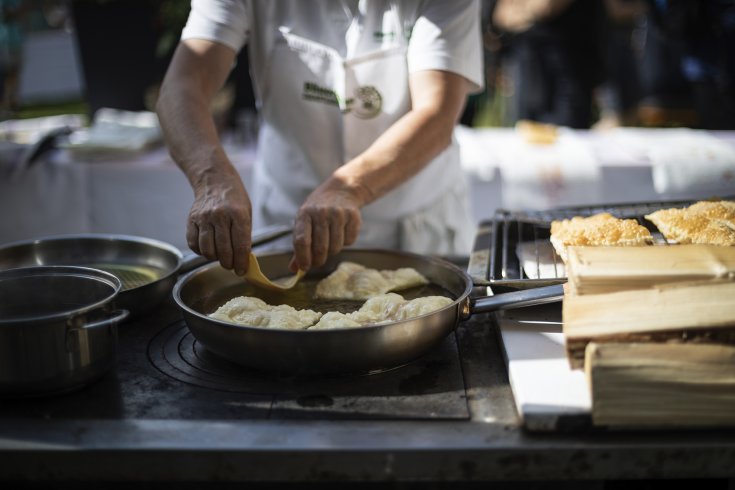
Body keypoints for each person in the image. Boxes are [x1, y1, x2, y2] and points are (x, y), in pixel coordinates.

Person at [156, 0, 485, 276]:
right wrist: (213, 181)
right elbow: (182, 87)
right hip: (287, 226)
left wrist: (349, 187)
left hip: (415, 229)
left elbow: (437, 113)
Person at [491, 0, 606, 129]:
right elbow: (502, 16)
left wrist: (520, 7)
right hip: (527, 63)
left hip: (569, 68)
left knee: (565, 139)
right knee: (524, 138)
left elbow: (545, 7)